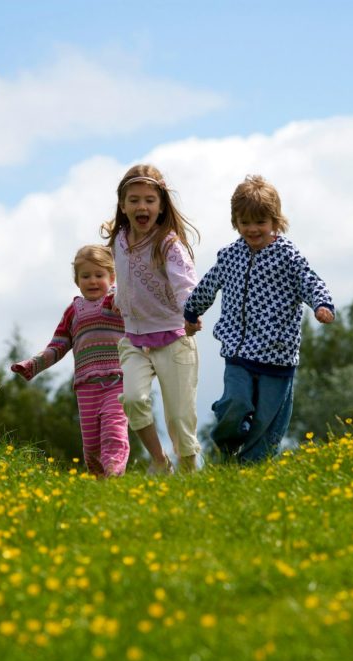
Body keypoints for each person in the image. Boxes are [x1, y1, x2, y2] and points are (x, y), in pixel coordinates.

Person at [183, 174, 335, 465]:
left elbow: (310, 281)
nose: (252, 229)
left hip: (277, 354)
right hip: (238, 352)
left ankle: (249, 471)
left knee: (267, 422)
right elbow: (207, 285)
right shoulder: (230, 256)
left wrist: (321, 305)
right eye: (245, 223)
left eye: (260, 222)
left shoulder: (287, 256)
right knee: (234, 403)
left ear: (275, 222)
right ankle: (225, 448)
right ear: (235, 222)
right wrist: (191, 312)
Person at [101, 164, 201, 474]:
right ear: (123, 204)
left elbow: (185, 284)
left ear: (160, 207)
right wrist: (118, 296)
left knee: (180, 419)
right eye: (134, 200)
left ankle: (189, 472)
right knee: (133, 399)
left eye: (149, 200)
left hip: (174, 338)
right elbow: (125, 275)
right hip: (134, 339)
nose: (141, 206)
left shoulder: (169, 245)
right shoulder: (119, 238)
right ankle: (160, 461)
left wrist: (191, 313)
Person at [11, 245, 129, 477]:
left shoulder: (117, 301)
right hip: (86, 387)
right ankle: (101, 485)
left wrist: (120, 294)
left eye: (99, 275)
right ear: (77, 281)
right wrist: (33, 364)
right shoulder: (73, 312)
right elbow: (58, 345)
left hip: (119, 380)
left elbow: (137, 308)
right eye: (86, 276)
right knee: (92, 446)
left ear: (111, 277)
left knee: (113, 432)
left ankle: (115, 472)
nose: (93, 281)